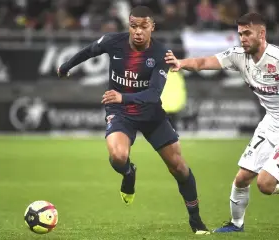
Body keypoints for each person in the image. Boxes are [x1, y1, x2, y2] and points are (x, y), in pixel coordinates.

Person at [165, 12, 279, 233]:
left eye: (247, 33)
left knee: (265, 184)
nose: (242, 38)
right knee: (242, 178)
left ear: (262, 33)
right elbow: (203, 62)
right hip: (270, 123)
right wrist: (181, 63)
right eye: (240, 34)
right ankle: (236, 224)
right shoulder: (238, 56)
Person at [57, 6, 209, 235]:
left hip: (151, 115)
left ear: (152, 27)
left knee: (178, 167)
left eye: (143, 26)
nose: (137, 31)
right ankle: (129, 174)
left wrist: (123, 95)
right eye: (133, 26)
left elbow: (153, 94)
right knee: (118, 156)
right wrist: (66, 66)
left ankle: (196, 220)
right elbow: (89, 51)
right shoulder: (112, 42)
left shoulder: (161, 54)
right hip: (120, 112)